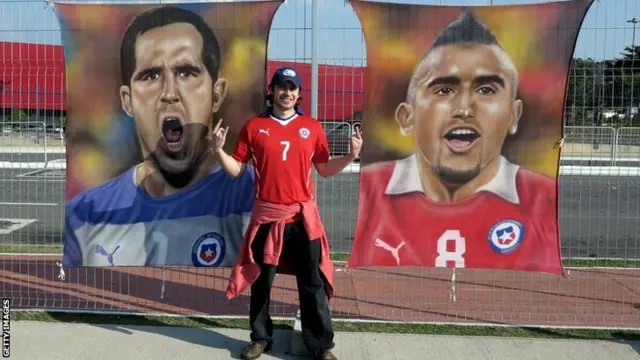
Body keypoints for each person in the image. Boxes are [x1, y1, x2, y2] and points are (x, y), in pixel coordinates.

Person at [347, 11, 564, 276]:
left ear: (513, 115)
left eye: (486, 90)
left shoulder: (540, 196)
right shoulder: (374, 187)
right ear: (406, 117)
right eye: (444, 90)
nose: (463, 109)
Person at [62, 6, 255, 268]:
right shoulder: (85, 215)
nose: (169, 92)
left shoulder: (254, 194)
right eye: (151, 75)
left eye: (186, 72)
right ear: (127, 101)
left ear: (217, 94)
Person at [213, 66, 362, 360]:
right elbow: (235, 170)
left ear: (299, 93)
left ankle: (319, 345)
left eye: (292, 88)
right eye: (282, 86)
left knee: (312, 283)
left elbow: (324, 169)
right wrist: (218, 150)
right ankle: (260, 338)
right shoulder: (254, 127)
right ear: (272, 90)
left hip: (302, 220)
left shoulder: (312, 127)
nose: (287, 92)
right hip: (267, 218)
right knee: (261, 282)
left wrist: (349, 156)